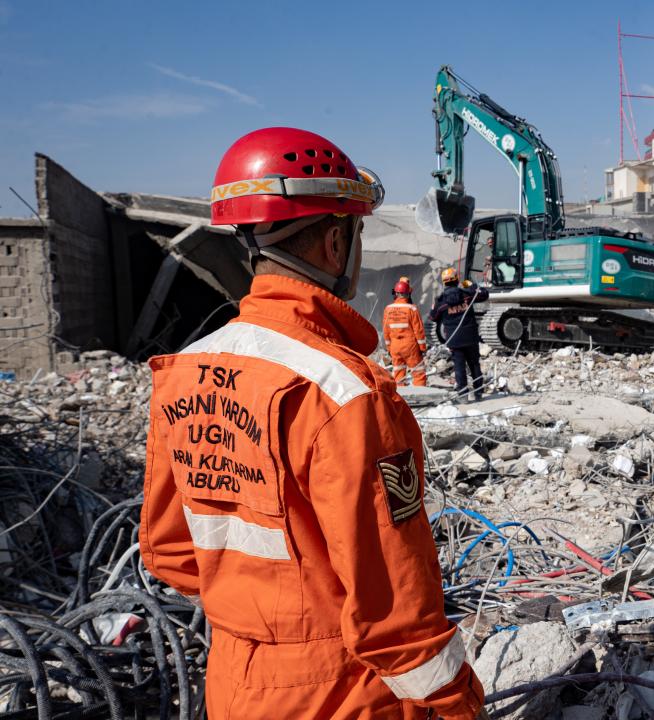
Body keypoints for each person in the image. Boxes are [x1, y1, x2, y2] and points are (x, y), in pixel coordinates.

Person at [140, 127, 486, 720]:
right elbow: (397, 613)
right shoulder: (347, 394)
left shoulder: (187, 371)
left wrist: (259, 610)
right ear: (334, 241)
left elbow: (169, 550)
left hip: (233, 682)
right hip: (339, 693)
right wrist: (459, 707)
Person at [429, 267, 489, 401]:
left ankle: (463, 396)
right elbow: (484, 294)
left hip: (454, 339)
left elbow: (433, 317)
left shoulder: (441, 301)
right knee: (474, 364)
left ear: (444, 282)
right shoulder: (467, 294)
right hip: (471, 336)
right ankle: (478, 393)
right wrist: (471, 285)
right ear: (457, 280)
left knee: (459, 367)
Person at [383, 276, 429, 387]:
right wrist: (422, 348)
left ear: (396, 293)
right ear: (408, 293)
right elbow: (419, 330)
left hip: (395, 346)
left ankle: (401, 398)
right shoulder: (412, 308)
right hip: (410, 346)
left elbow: (386, 330)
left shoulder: (388, 309)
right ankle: (420, 394)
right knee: (418, 373)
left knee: (398, 374)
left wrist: (389, 348)